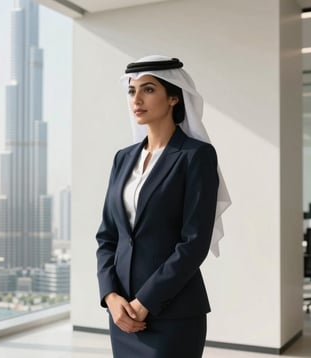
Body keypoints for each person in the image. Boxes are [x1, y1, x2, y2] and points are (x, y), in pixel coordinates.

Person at [95, 55, 231, 358]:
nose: (137, 99)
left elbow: (194, 243)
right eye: (132, 91)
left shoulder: (196, 156)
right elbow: (108, 236)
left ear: (173, 97)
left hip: (173, 314)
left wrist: (145, 303)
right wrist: (111, 296)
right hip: (122, 315)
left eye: (148, 89)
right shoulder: (123, 158)